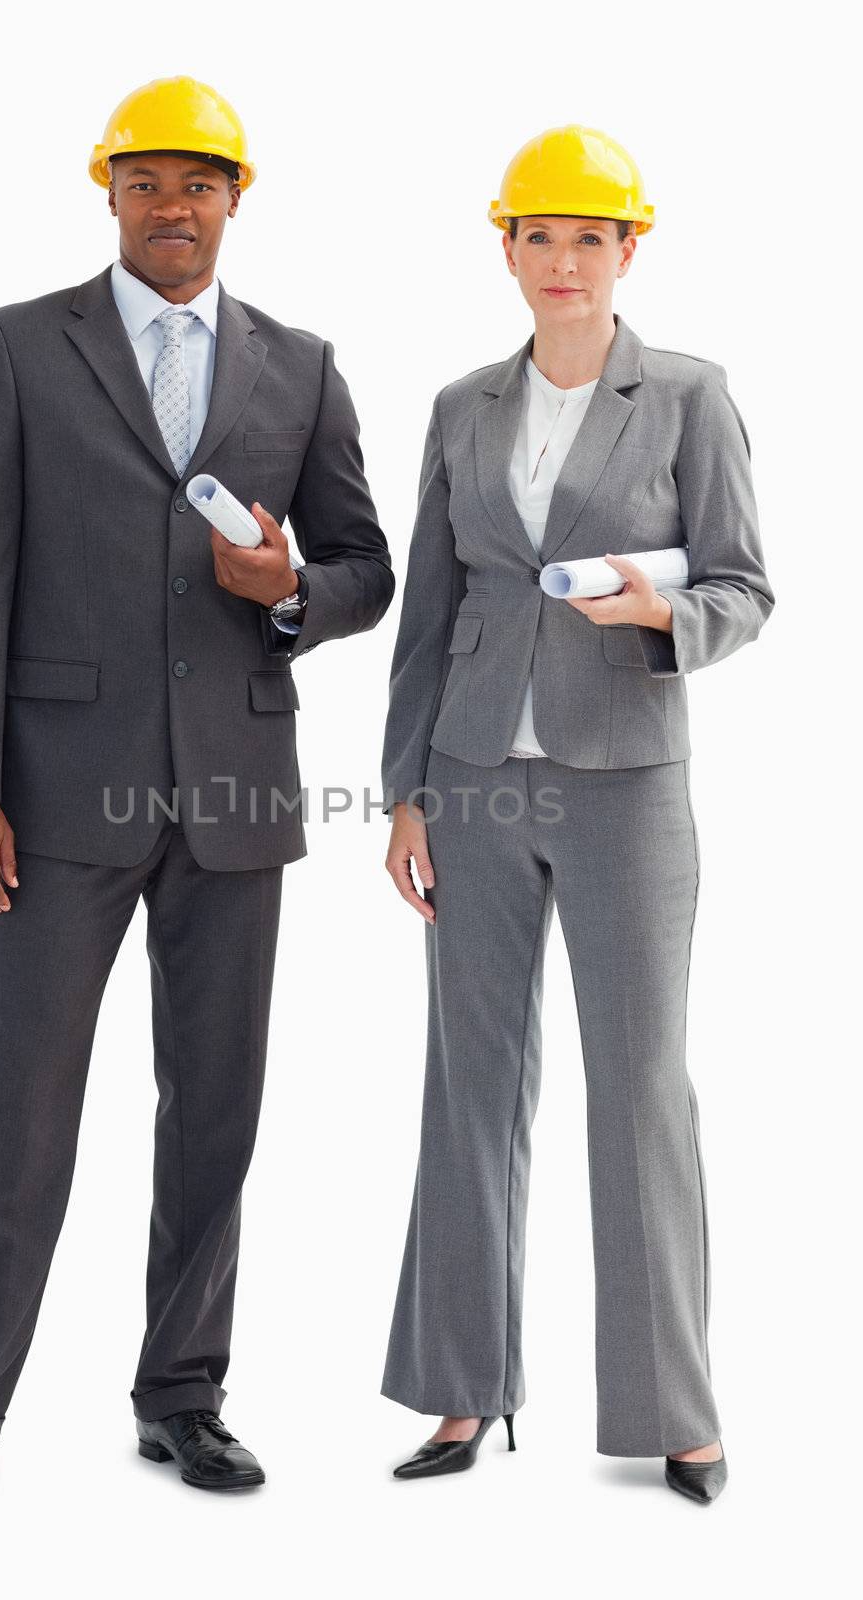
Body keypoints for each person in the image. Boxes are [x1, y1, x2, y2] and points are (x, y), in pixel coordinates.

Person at [0, 75, 393, 1521]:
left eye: (202, 184)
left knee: (215, 1110)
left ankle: (184, 1395)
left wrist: (292, 591)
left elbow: (367, 567)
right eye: (149, 183)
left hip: (236, 793)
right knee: (21, 1109)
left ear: (240, 199)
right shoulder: (17, 349)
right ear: (108, 193)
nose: (175, 208)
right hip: (54, 797)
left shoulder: (299, 367)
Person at [379, 124, 774, 1504]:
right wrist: (407, 796)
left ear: (628, 250)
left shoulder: (689, 396)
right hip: (475, 782)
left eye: (587, 240)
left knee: (642, 1091)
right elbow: (428, 612)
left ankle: (677, 1409)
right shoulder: (458, 407)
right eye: (537, 238)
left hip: (628, 789)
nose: (561, 264)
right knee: (467, 1086)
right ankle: (458, 1393)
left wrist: (665, 607)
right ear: (507, 248)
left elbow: (746, 586)